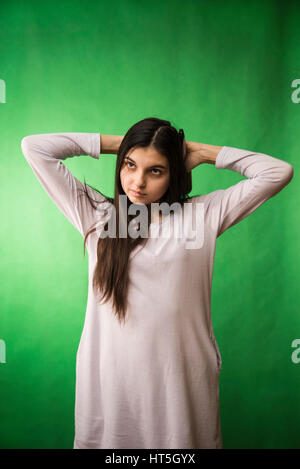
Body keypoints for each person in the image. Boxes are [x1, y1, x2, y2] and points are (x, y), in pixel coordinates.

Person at [21, 117, 294, 449]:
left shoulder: (202, 215)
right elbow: (35, 148)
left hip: (179, 386)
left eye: (156, 171)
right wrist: (120, 143)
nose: (137, 182)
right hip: (112, 383)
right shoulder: (98, 215)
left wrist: (201, 152)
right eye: (130, 165)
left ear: (173, 173)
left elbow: (277, 172)